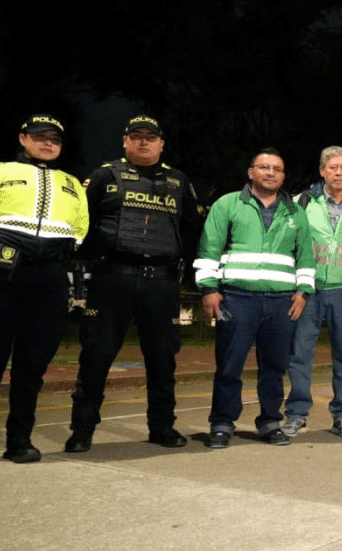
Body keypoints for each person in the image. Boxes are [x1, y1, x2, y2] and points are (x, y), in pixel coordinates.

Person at [65, 115, 202, 453]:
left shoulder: (178, 181)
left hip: (161, 284)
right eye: (136, 136)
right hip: (112, 280)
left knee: (162, 359)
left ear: (161, 143)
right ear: (125, 141)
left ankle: (162, 427)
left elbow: (193, 228)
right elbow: (82, 221)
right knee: (95, 357)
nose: (143, 142)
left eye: (150, 137)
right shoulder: (104, 175)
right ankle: (82, 430)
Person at [194, 147, 315, 449]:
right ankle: (222, 423)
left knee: (274, 367)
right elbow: (209, 247)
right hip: (237, 298)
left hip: (281, 302)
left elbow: (306, 257)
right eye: (264, 167)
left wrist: (303, 293)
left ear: (283, 176)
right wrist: (209, 289)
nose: (270, 172)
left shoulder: (295, 212)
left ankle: (270, 422)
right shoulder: (228, 204)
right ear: (251, 172)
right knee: (229, 365)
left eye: (277, 168)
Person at [0, 114, 88, 463]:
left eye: (55, 139)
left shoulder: (72, 183)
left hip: (49, 276)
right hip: (3, 274)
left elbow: (81, 225)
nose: (48, 143)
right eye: (40, 136)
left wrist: (68, 248)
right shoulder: (2, 170)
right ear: (23, 138)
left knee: (31, 366)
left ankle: (19, 441)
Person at [282, 146, 342, 438]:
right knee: (299, 354)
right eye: (332, 167)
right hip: (308, 291)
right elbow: (288, 244)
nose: (338, 172)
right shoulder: (301, 202)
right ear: (322, 171)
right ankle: (297, 414)